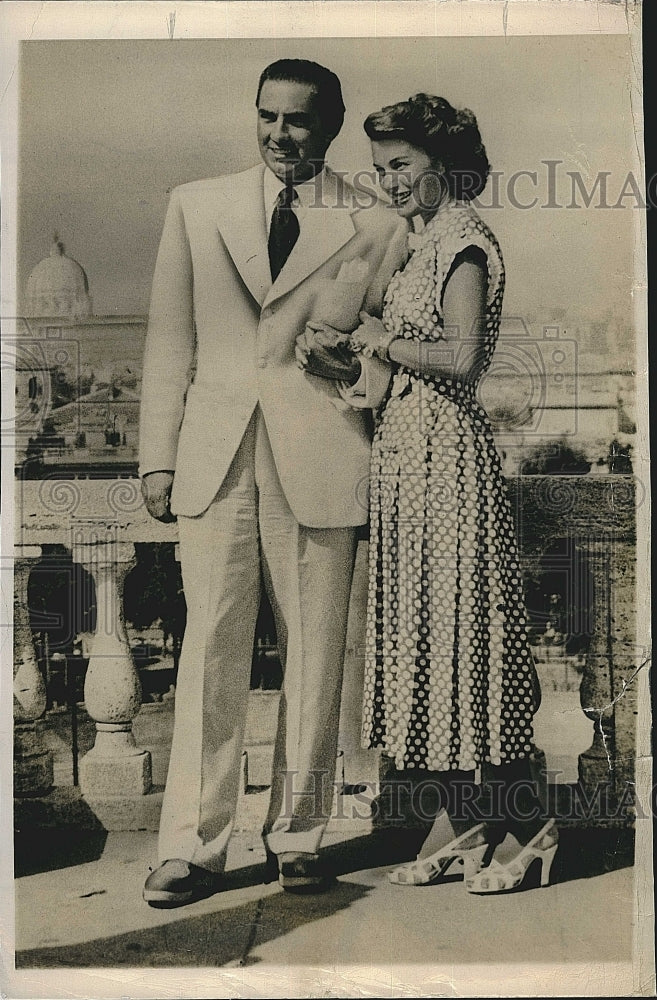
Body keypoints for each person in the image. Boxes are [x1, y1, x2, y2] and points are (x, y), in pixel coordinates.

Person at [138, 59, 407, 906]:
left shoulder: (376, 220)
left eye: (297, 121)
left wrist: (361, 362)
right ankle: (191, 846)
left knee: (316, 653)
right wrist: (157, 456)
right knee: (209, 649)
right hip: (215, 456)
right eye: (266, 117)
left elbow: (392, 343)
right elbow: (168, 342)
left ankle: (298, 836)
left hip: (322, 450)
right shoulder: (196, 202)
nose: (278, 135)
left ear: (329, 127)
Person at [298, 94, 558, 895]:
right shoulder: (419, 245)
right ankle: (464, 823)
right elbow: (407, 366)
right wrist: (346, 362)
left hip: (449, 464)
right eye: (380, 170)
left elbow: (461, 359)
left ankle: (533, 827)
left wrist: (377, 337)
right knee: (427, 647)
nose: (390, 182)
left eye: (402, 167)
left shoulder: (465, 243)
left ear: (443, 166)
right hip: (407, 462)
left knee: (470, 646)